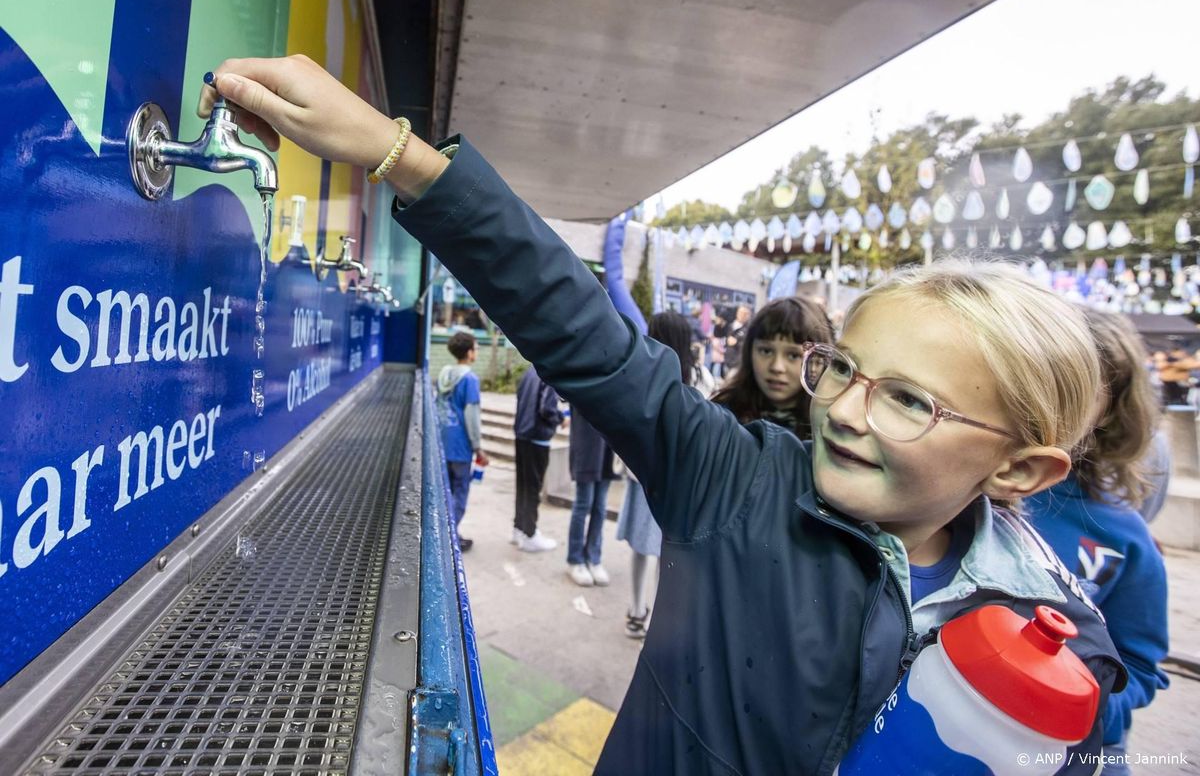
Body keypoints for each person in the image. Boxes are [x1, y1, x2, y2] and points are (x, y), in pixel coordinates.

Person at [200, 57, 1125, 775]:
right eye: (844, 369)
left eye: (911, 401)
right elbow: (588, 337)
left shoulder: (1059, 646)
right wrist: (394, 152)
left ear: (1021, 468)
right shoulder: (741, 481)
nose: (845, 410)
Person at [1026, 310, 1170, 775]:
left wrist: (1081, 710)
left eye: (1080, 383)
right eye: (1044, 373)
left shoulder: (1123, 537)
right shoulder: (962, 491)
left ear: (1109, 408)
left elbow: (1139, 668)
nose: (1053, 396)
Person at [616, 311, 704, 638]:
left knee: (642, 548)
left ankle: (637, 611)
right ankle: (655, 620)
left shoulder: (642, 373)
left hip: (643, 475)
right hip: (680, 480)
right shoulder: (699, 380)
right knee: (667, 552)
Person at [710, 296, 834, 439]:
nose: (777, 367)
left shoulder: (831, 429)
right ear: (749, 352)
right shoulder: (720, 418)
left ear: (818, 361)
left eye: (793, 355)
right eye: (766, 351)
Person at [436, 331, 487, 552]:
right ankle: (449, 538)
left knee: (444, 493)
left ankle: (444, 533)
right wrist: (478, 446)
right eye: (476, 348)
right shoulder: (470, 379)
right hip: (461, 446)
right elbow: (471, 415)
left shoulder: (444, 374)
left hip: (442, 441)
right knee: (460, 492)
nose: (477, 352)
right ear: (469, 353)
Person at [512, 365, 563, 552]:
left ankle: (519, 528)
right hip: (537, 438)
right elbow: (547, 408)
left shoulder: (529, 372)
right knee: (533, 488)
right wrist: (560, 419)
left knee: (522, 486)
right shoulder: (548, 373)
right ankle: (530, 534)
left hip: (522, 435)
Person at [566, 405, 617, 586]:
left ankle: (593, 558)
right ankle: (575, 559)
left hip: (609, 446)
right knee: (583, 504)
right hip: (586, 444)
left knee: (600, 506)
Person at [723, 304, 751, 371]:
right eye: (740, 312)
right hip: (728, 360)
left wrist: (736, 343)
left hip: (739, 364)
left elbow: (749, 346)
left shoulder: (750, 329)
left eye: (745, 313)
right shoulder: (731, 325)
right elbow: (726, 340)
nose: (742, 315)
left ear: (748, 315)